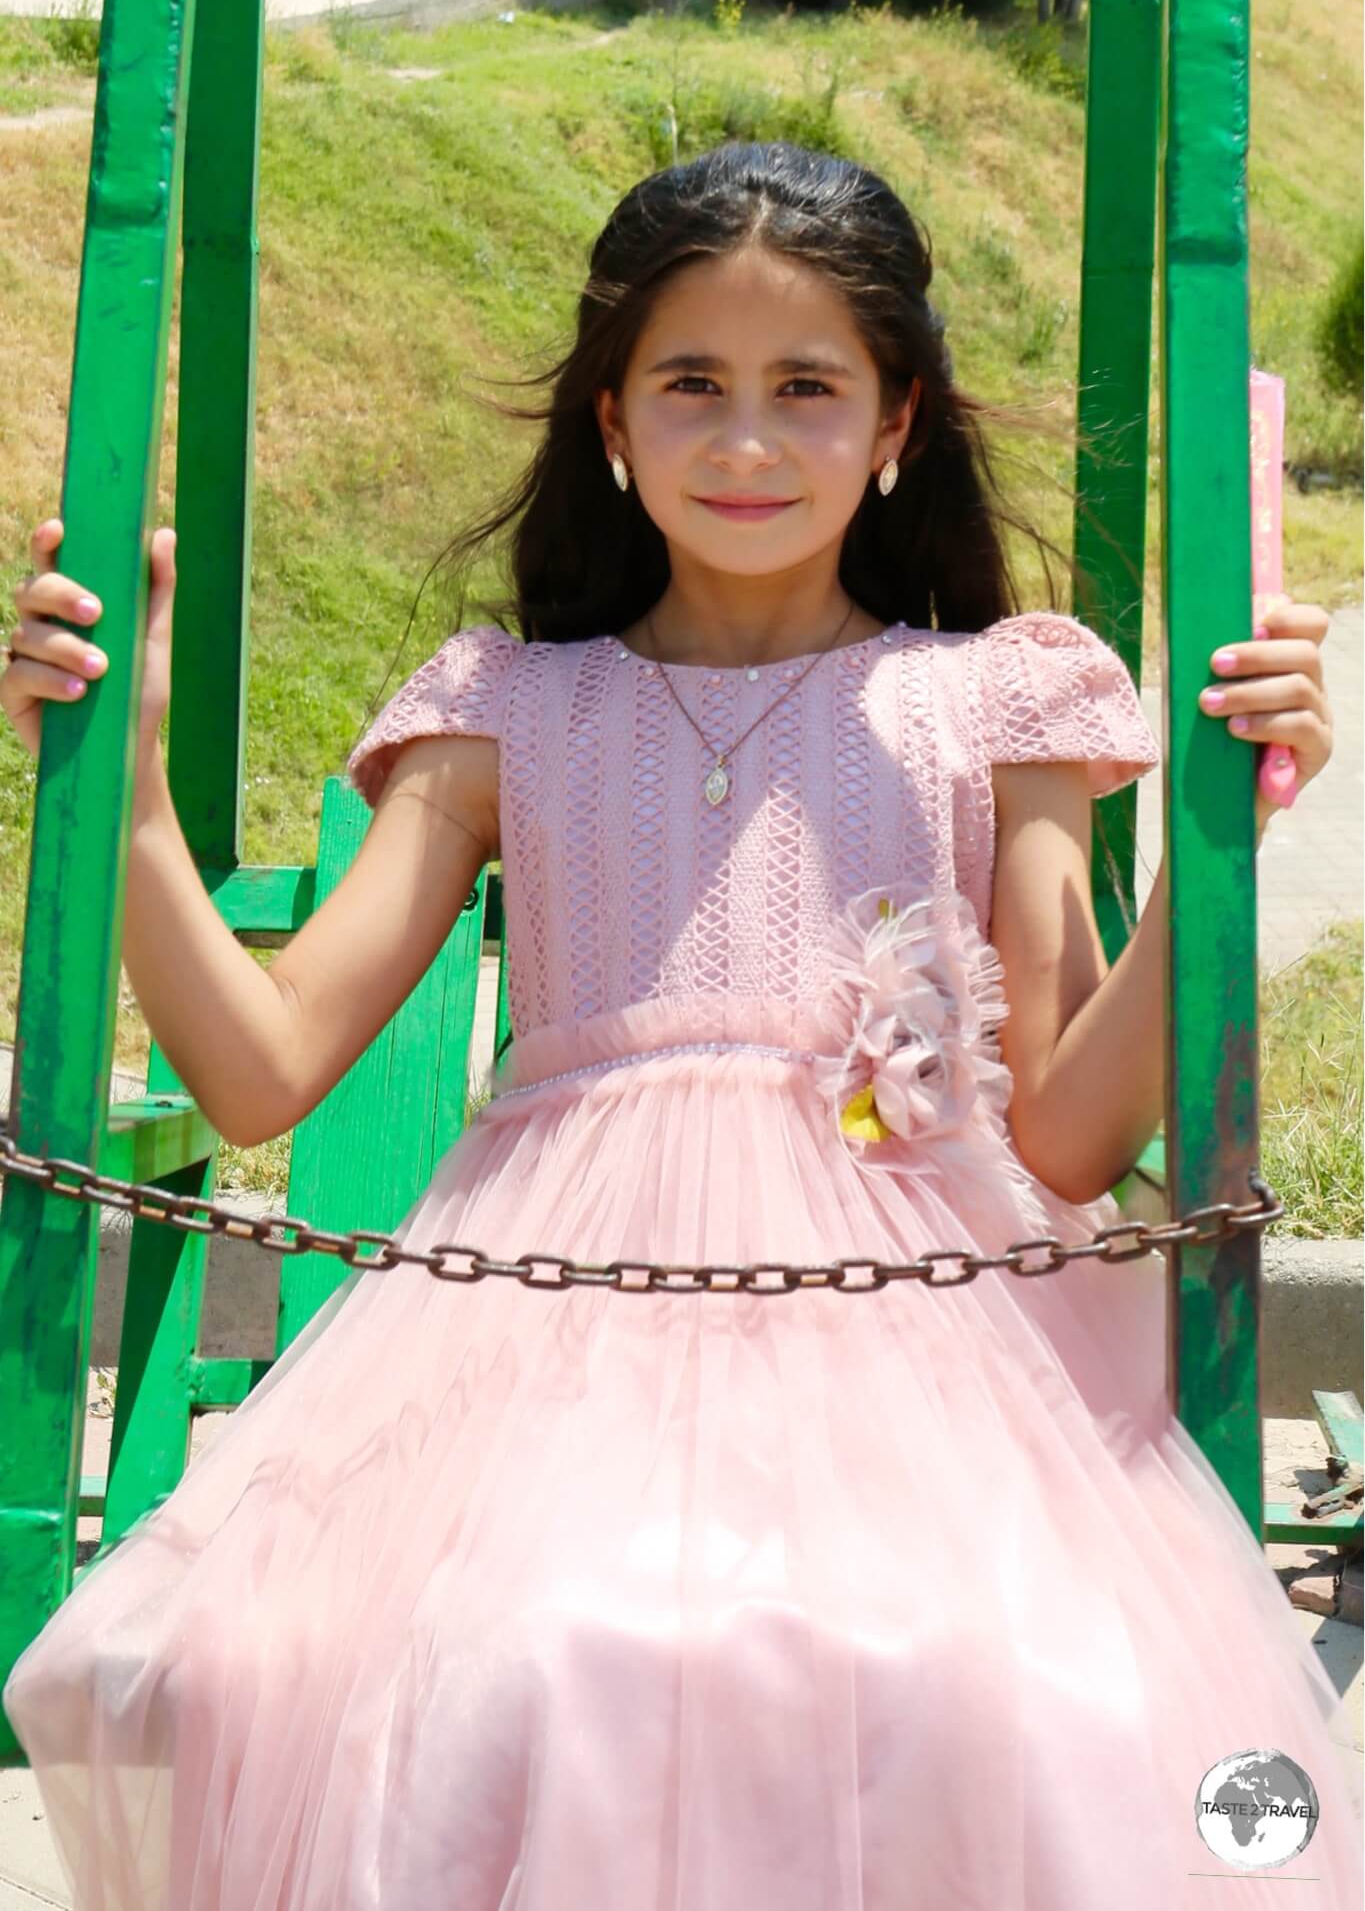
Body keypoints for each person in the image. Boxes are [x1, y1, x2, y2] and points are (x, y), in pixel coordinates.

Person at [1, 141, 1355, 1910]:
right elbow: (257, 1070)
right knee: (512, 1662)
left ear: (895, 427)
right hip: (540, 1349)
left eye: (806, 389)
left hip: (924, 1361)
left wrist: (1207, 850)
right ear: (610, 423)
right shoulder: (513, 711)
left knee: (954, 1675)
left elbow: (1070, 1138)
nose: (742, 442)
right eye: (690, 385)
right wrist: (132, 799)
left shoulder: (988, 700)